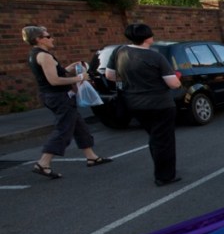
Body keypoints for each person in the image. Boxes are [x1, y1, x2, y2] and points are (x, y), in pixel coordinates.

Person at [23, 25, 113, 180]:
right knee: (64, 128)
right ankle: (43, 163)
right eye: (48, 36)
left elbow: (52, 74)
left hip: (53, 96)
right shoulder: (44, 56)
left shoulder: (36, 54)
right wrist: (80, 78)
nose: (52, 39)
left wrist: (67, 69)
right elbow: (54, 80)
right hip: (58, 97)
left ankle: (91, 156)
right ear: (38, 39)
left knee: (78, 125)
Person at [105, 24, 182, 186]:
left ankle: (162, 169)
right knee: (164, 140)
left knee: (154, 137)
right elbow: (173, 84)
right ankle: (164, 175)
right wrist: (176, 78)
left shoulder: (119, 52)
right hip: (159, 103)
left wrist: (131, 80)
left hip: (134, 103)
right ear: (147, 38)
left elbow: (110, 75)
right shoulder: (155, 57)